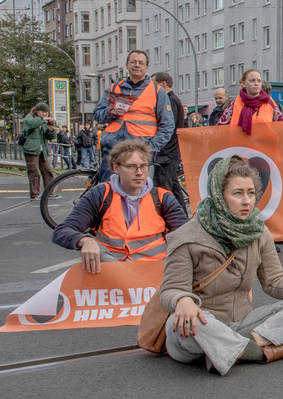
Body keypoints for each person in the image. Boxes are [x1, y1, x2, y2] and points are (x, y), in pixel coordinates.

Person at [160, 155, 283, 375]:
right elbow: (170, 289)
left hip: (243, 323)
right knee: (182, 322)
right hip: (203, 326)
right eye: (237, 193)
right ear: (219, 196)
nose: (247, 201)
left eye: (251, 193)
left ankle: (231, 350)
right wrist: (182, 299)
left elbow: (273, 281)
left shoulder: (258, 232)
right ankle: (262, 352)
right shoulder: (187, 237)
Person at [52, 139, 188, 272]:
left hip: (154, 274)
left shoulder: (162, 197)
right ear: (116, 168)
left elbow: (184, 234)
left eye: (144, 166)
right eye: (131, 166)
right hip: (111, 275)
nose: (139, 172)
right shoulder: (100, 195)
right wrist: (84, 240)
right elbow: (62, 231)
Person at [92, 50, 175, 182]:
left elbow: (168, 124)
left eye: (141, 63)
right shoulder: (114, 89)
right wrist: (112, 111)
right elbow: (98, 115)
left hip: (140, 151)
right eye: (133, 62)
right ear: (127, 65)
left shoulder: (157, 92)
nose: (137, 65)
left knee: (138, 193)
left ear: (147, 67)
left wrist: (151, 146)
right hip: (113, 149)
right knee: (109, 192)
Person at [150, 72, 188, 208]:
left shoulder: (169, 100)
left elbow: (168, 127)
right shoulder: (174, 99)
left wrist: (158, 146)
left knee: (162, 188)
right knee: (174, 188)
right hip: (171, 151)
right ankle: (182, 219)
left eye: (154, 84)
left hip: (167, 152)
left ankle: (165, 220)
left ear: (163, 84)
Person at [216, 69, 283, 133]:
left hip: (264, 146)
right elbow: (219, 130)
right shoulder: (234, 104)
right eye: (252, 80)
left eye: (259, 81)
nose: (256, 83)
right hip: (240, 146)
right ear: (243, 84)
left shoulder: (270, 103)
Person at [20, 102, 58, 199]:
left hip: (42, 150)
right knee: (34, 172)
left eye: (45, 112)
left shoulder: (43, 122)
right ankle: (35, 194)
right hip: (31, 149)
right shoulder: (30, 118)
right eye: (42, 111)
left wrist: (51, 130)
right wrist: (42, 120)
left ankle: (49, 193)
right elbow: (31, 125)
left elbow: (49, 137)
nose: (44, 114)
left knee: (48, 171)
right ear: (36, 111)